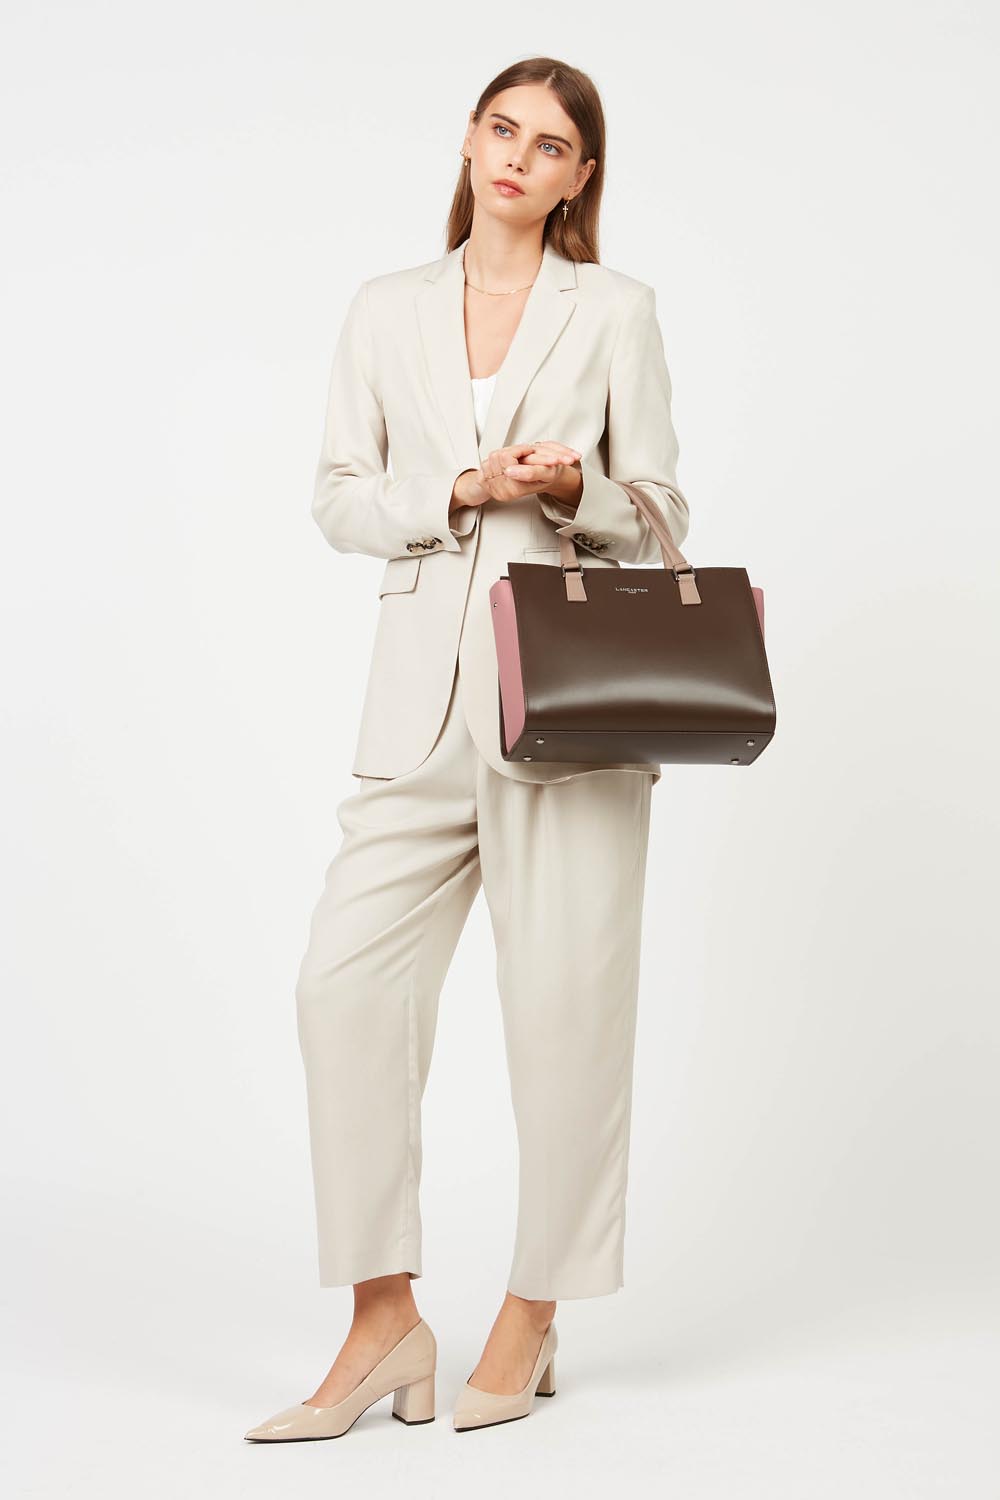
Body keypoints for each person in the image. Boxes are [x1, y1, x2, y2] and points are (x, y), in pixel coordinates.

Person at [245, 54, 690, 1442]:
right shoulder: (386, 308)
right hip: (420, 706)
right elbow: (337, 496)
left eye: (549, 145)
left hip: (566, 705)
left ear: (578, 179)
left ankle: (534, 1306)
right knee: (342, 986)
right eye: (502, 129)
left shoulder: (616, 311)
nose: (517, 157)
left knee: (566, 1018)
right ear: (470, 140)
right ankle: (385, 1318)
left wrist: (578, 488)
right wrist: (454, 486)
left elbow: (665, 517)